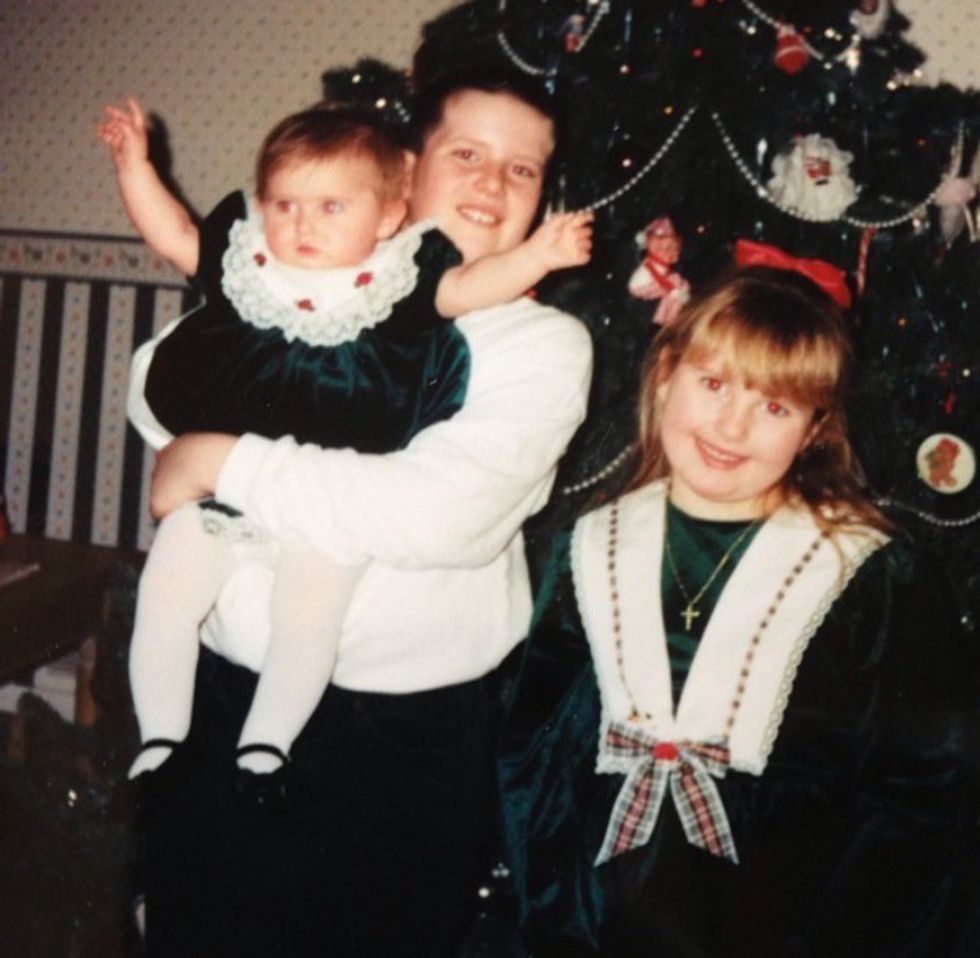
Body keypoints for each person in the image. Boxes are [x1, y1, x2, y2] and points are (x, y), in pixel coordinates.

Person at [128, 67, 594, 957]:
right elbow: (157, 387)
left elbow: (437, 515)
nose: (493, 185)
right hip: (220, 701)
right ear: (406, 172)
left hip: (399, 744)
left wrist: (219, 458)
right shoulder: (299, 281)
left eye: (523, 169)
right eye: (467, 154)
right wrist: (208, 445)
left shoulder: (539, 344)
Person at [499, 253, 974, 956]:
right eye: (714, 384)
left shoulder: (871, 575)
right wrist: (554, 909)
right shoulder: (587, 548)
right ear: (666, 376)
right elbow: (532, 751)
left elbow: (924, 796)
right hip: (593, 926)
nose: (732, 426)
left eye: (774, 407)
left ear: (813, 430)